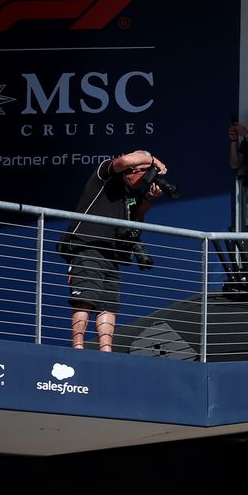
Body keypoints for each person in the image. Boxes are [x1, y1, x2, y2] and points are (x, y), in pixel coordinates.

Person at [59, 149, 169, 351]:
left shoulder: (133, 194)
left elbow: (135, 218)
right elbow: (125, 160)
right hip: (88, 244)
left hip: (113, 253)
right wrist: (154, 160)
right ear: (134, 169)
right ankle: (77, 347)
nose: (147, 179)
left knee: (108, 305)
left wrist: (148, 198)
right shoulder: (107, 174)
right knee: (84, 299)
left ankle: (106, 351)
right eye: (146, 173)